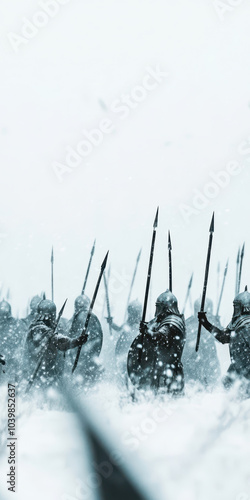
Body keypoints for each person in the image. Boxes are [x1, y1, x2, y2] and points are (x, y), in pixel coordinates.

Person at [127, 290, 186, 394]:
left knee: (166, 405)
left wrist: (147, 331)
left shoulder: (171, 322)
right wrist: (147, 328)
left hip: (167, 373)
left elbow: (160, 337)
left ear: (164, 307)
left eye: (158, 306)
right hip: (166, 371)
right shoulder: (169, 320)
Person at [23, 299, 88, 390]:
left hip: (44, 372)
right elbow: (58, 341)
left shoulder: (39, 327)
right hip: (38, 373)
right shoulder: (39, 329)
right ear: (49, 316)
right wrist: (75, 341)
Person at [198, 287, 250, 396]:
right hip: (238, 367)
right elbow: (223, 338)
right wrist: (206, 323)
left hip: (246, 368)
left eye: (236, 306)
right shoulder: (237, 324)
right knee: (227, 385)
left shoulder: (246, 325)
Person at [182, 298, 221, 388]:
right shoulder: (211, 322)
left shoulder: (188, 322)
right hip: (201, 361)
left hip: (199, 361)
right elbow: (220, 337)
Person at [67, 295, 103, 382]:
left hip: (83, 358)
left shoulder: (80, 318)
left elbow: (69, 335)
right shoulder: (91, 317)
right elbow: (99, 338)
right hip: (87, 358)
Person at [114, 300, 142, 386]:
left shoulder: (141, 325)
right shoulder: (128, 323)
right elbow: (119, 329)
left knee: (132, 375)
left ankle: (133, 391)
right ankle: (127, 391)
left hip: (135, 353)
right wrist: (111, 323)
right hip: (125, 353)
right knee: (125, 374)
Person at [0, 300, 25, 380]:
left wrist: (16, 352)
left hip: (11, 358)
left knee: (11, 382)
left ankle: (11, 392)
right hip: (5, 357)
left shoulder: (15, 323)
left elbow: (21, 339)